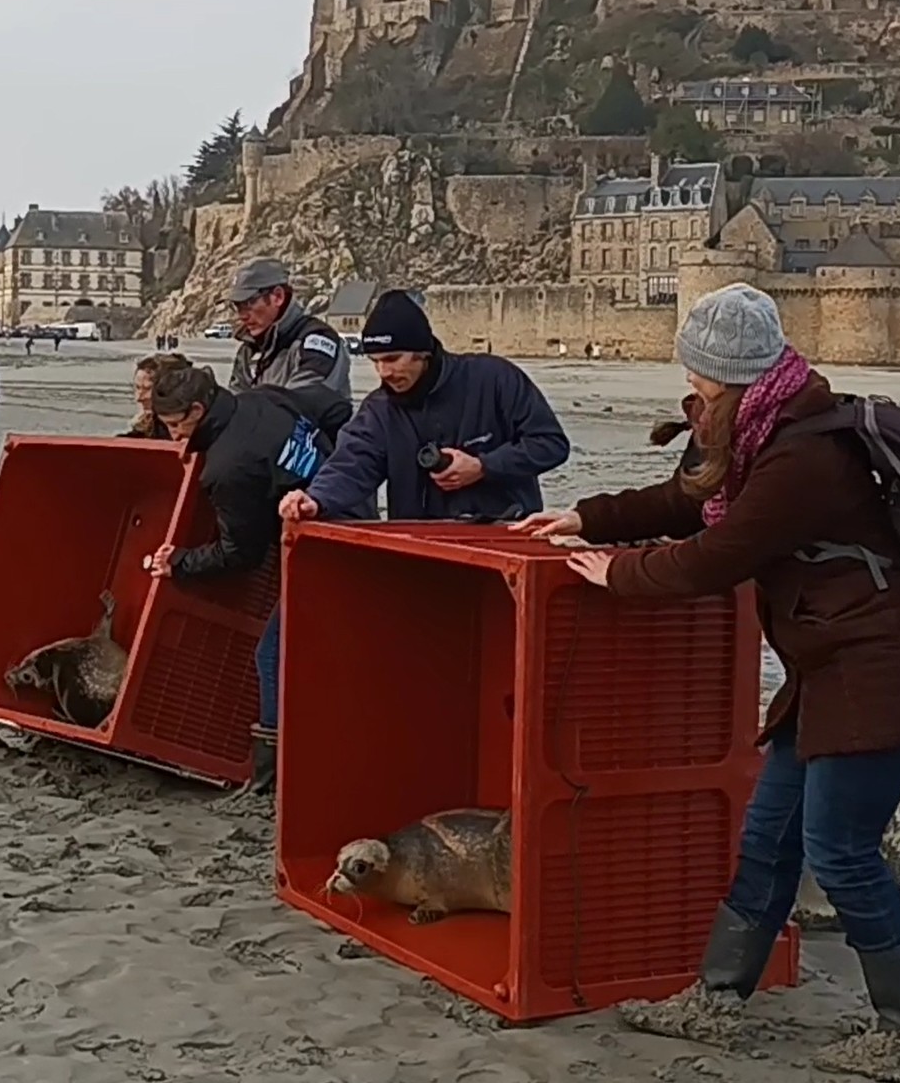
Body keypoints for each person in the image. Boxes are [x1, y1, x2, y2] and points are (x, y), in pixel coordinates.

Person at [517, 283, 900, 1076]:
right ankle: (718, 999)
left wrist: (615, 577)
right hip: (828, 667)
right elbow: (690, 502)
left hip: (884, 670)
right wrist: (588, 517)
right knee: (767, 839)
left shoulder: (804, 455)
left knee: (841, 851)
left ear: (734, 379)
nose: (689, 389)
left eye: (699, 378)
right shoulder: (758, 431)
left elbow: (719, 556)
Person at [147, 364, 362, 794]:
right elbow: (335, 407)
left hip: (320, 550)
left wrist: (180, 562)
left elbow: (239, 554)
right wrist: (342, 471)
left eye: (174, 426)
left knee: (271, 655)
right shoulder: (266, 397)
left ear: (197, 410)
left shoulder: (227, 468)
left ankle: (270, 779)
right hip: (352, 514)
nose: (173, 436)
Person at [279, 289, 569, 524]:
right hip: (422, 548)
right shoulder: (379, 411)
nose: (383, 372)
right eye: (376, 361)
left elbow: (550, 444)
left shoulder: (494, 379)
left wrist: (484, 466)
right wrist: (315, 499)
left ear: (423, 353)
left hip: (502, 536)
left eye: (392, 359)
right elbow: (351, 464)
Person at [226, 259, 350, 407]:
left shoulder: (316, 341)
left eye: (248, 303)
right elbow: (234, 408)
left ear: (278, 297)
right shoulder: (248, 351)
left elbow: (299, 408)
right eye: (238, 306)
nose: (242, 315)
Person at [120, 352, 191, 439]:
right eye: (138, 388)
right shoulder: (146, 428)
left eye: (147, 389)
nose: (139, 398)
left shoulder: (191, 430)